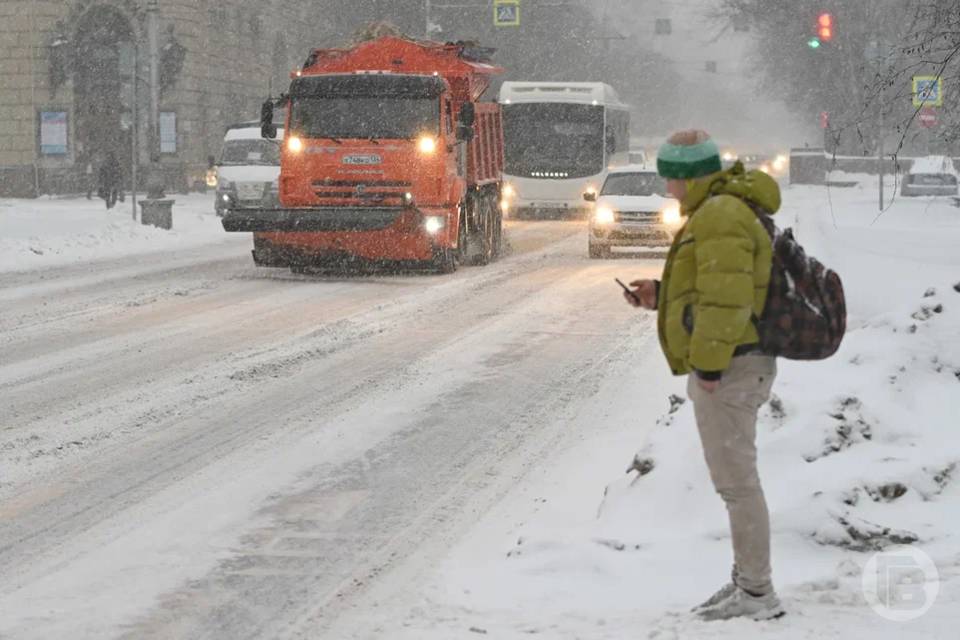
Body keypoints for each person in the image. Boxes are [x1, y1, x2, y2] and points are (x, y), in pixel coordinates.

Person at [624, 130, 784, 621]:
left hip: (733, 367)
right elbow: (711, 285)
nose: (668, 190)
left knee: (738, 484)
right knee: (736, 481)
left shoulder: (719, 216)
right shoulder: (721, 210)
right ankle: (747, 581)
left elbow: (727, 301)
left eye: (671, 179)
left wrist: (711, 366)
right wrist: (660, 293)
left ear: (689, 177)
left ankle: (757, 594)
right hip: (736, 362)